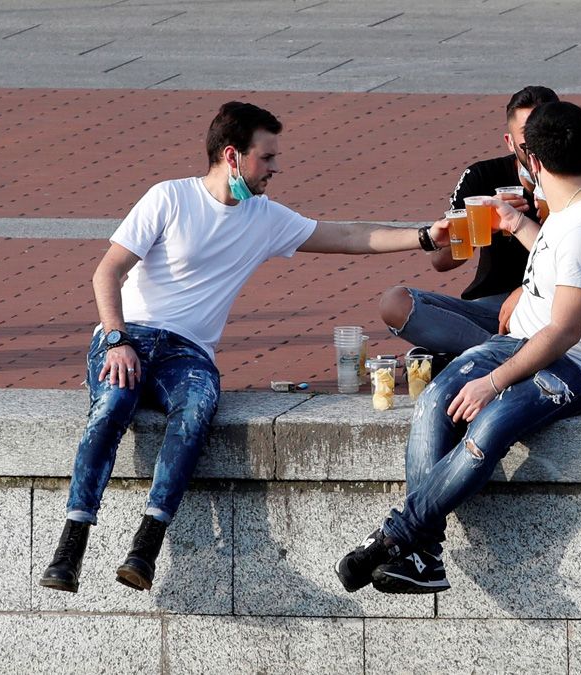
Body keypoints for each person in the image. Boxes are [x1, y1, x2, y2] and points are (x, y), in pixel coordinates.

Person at [39, 101, 452, 594]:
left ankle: (147, 543)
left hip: (188, 352)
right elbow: (106, 272)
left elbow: (347, 234)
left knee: (195, 410)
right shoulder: (168, 198)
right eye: (267, 158)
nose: (276, 169)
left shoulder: (264, 218)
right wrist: (115, 339)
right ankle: (72, 542)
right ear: (232, 156)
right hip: (128, 336)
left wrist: (426, 236)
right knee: (112, 406)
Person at [336, 101, 581, 594]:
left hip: (579, 366)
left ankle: (398, 536)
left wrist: (493, 382)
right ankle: (424, 557)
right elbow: (553, 258)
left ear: (531, 161)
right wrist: (517, 226)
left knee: (489, 424)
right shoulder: (570, 206)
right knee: (435, 399)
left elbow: (564, 334)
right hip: (517, 340)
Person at [378, 86, 581, 363]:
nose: (537, 154)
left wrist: (526, 291)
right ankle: (508, 356)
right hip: (492, 310)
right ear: (509, 142)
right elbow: (441, 262)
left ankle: (472, 356)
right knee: (396, 303)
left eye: (544, 141)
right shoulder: (482, 176)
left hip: (556, 308)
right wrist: (478, 225)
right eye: (527, 145)